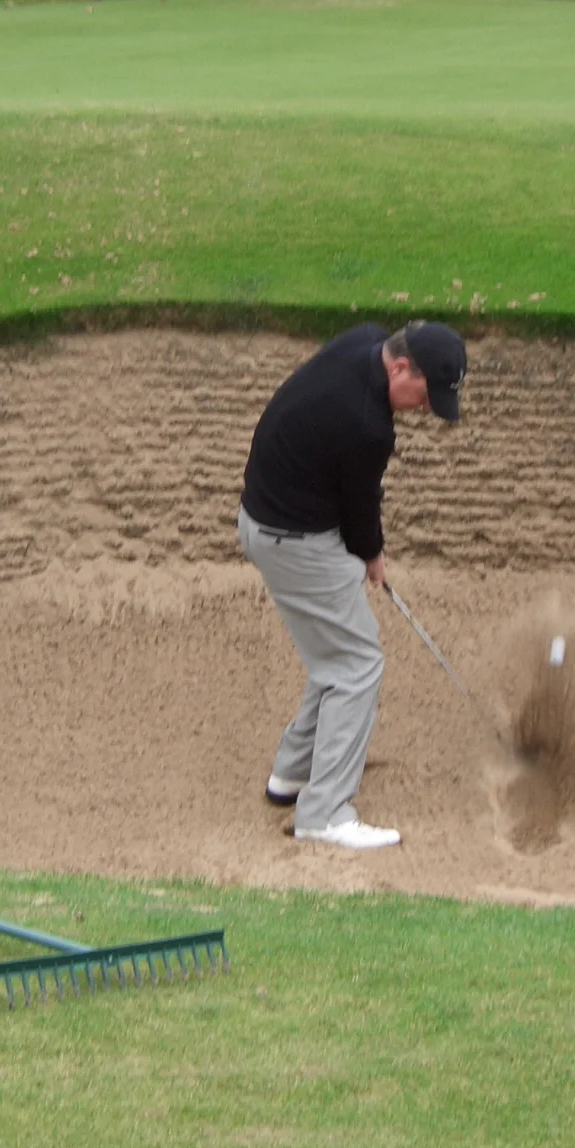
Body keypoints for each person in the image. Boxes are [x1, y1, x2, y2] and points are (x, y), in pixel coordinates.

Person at [237, 321, 468, 849]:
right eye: (426, 396)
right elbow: (361, 508)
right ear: (401, 368)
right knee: (358, 663)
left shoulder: (364, 340)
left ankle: (291, 775)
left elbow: (344, 489)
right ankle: (324, 814)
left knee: (335, 653)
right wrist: (371, 555)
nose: (427, 409)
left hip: (270, 521)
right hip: (293, 540)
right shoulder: (369, 426)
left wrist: (362, 550)